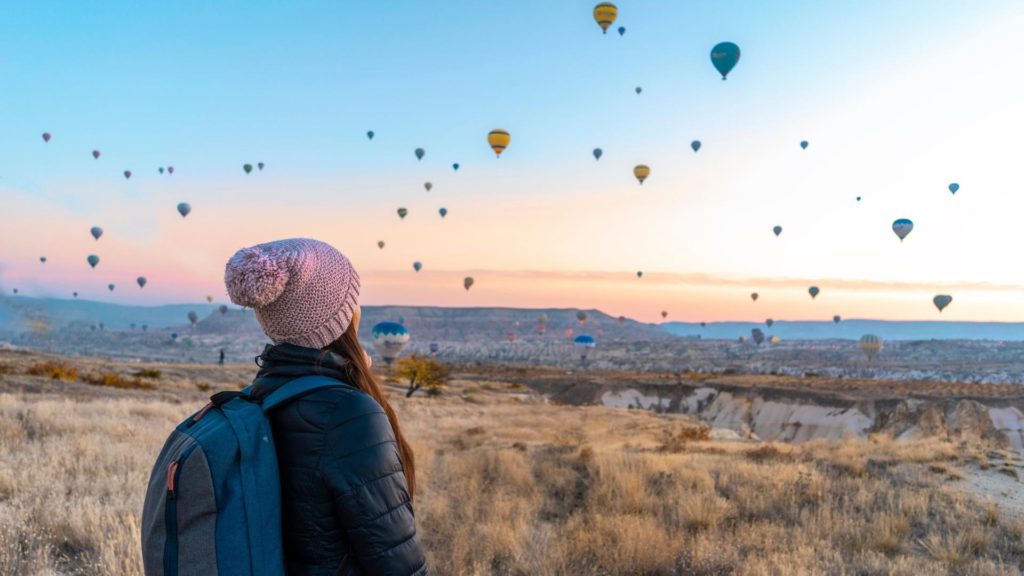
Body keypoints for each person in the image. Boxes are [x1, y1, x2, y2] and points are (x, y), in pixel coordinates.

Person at [224, 238, 427, 576]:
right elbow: (396, 561)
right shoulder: (348, 412)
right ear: (342, 315)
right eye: (353, 299)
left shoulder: (263, 393)